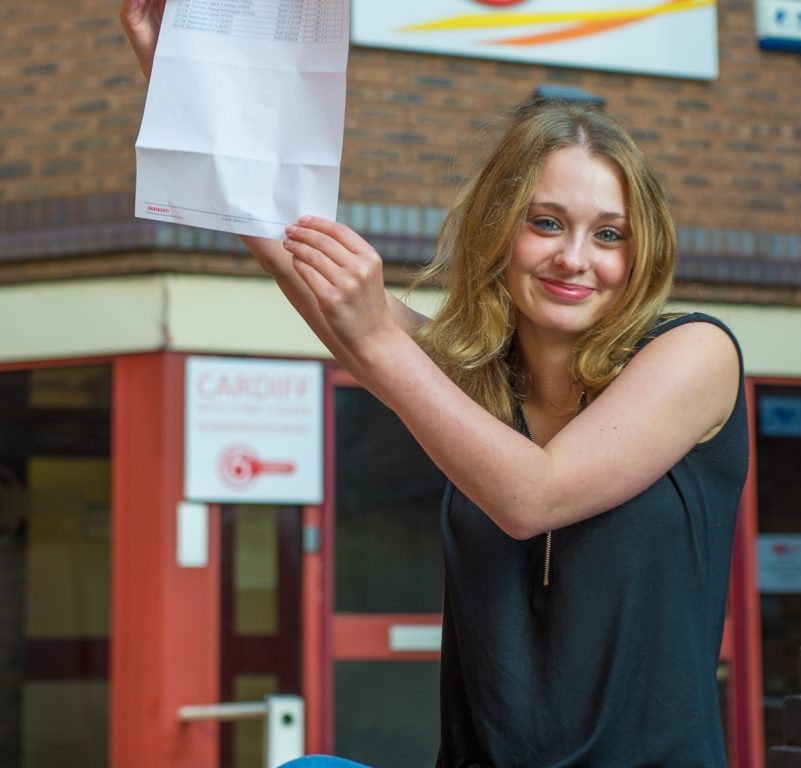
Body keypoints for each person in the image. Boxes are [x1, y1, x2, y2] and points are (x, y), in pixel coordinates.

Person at [121, 3, 748, 765]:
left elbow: (533, 496)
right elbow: (308, 262)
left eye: (608, 234)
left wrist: (381, 342)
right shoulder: (474, 382)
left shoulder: (696, 353)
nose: (575, 258)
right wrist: (183, 81)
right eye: (546, 222)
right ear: (499, 229)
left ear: (640, 251)